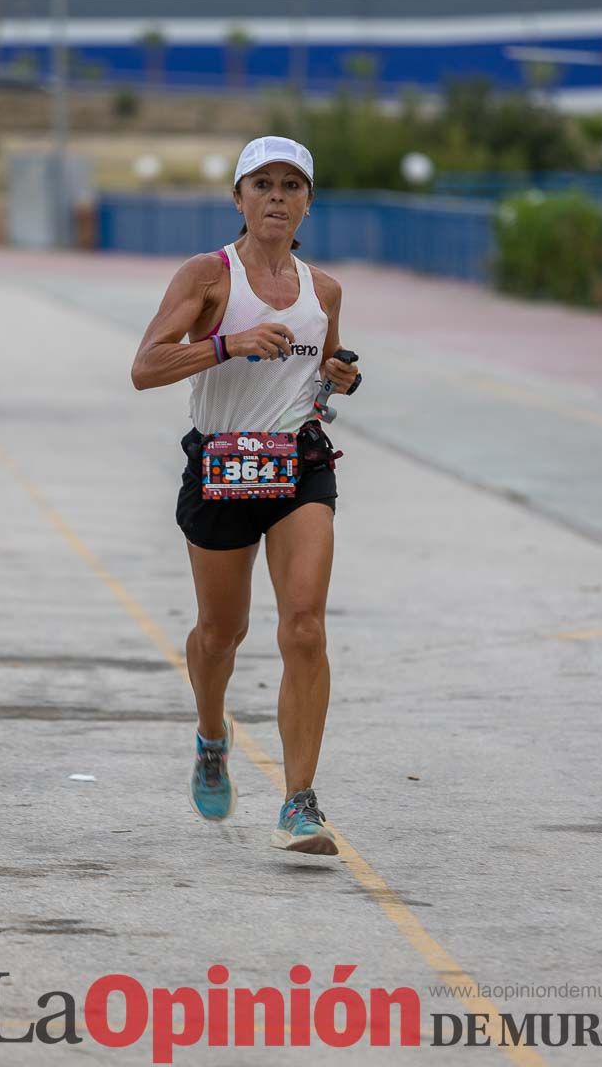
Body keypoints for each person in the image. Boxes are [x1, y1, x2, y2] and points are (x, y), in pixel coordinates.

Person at [131, 135, 361, 855]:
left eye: (291, 186)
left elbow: (318, 373)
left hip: (298, 467)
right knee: (221, 634)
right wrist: (227, 346)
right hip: (223, 467)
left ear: (308, 205)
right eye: (262, 184)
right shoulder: (209, 275)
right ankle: (210, 733)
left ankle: (300, 802)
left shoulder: (324, 290)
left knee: (304, 627)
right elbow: (146, 368)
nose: (276, 198)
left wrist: (340, 378)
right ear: (238, 198)